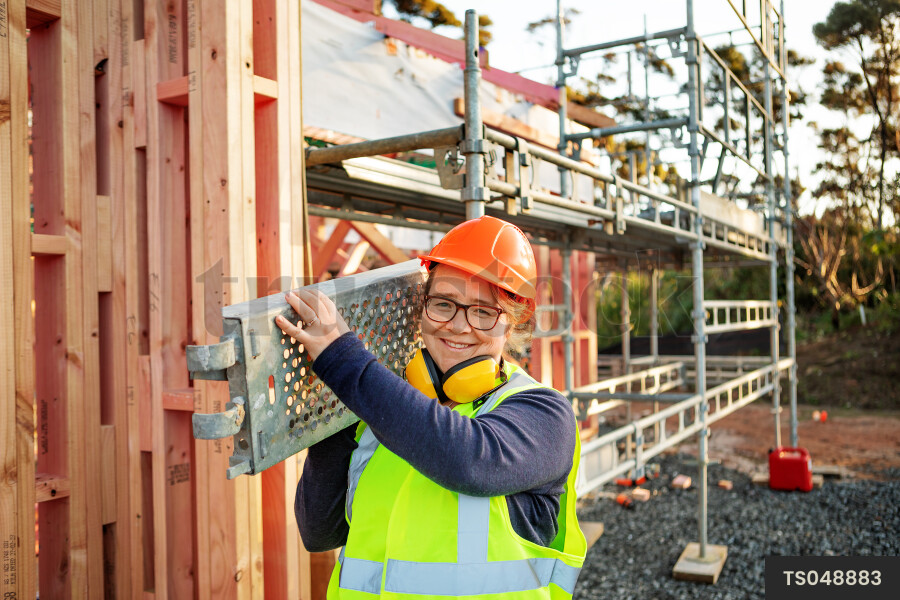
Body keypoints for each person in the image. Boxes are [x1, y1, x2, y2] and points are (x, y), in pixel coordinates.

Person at [275, 215, 586, 598]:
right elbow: (318, 530)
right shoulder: (379, 408)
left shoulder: (544, 414)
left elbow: (471, 460)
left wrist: (344, 364)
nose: (458, 326)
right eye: (443, 304)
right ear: (422, 308)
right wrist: (334, 407)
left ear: (514, 323)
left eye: (483, 312)